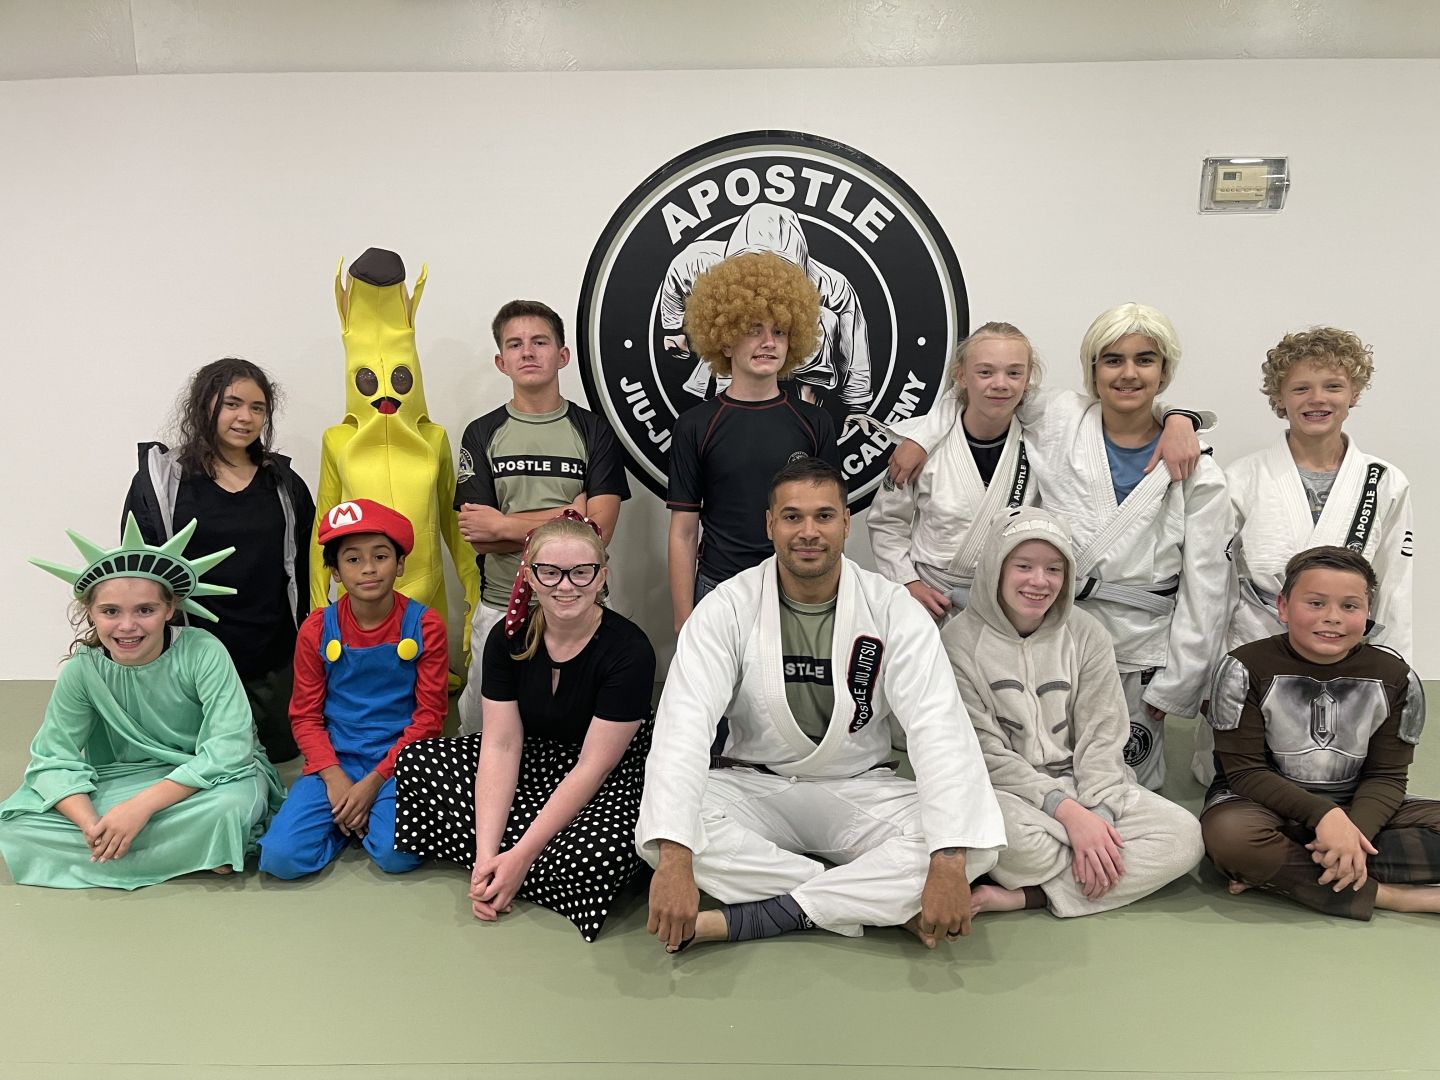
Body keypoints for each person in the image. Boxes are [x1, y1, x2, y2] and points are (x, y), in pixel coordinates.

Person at [638, 457, 1005, 951]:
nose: (808, 532)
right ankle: (867, 901)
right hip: (757, 787)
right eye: (792, 516)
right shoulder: (727, 606)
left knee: (972, 847)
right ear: (770, 524)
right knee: (667, 834)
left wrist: (946, 862)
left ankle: (762, 915)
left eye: (824, 516)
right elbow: (683, 727)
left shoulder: (892, 607)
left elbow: (938, 729)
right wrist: (676, 856)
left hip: (860, 789)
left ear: (847, 523)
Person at [887, 305, 1233, 790]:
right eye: (1112, 360)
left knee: (1122, 782)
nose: (1128, 373)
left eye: (1145, 360)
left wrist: (1181, 678)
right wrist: (920, 439)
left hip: (1138, 644)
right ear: (1092, 369)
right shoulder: (1060, 416)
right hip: (1051, 633)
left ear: (1165, 370)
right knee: (1034, 772)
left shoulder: (1199, 469)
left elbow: (1208, 585)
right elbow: (976, 396)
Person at [393, 512, 655, 942]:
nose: (565, 586)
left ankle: (517, 864)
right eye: (550, 572)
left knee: (600, 855)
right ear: (530, 576)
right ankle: (498, 868)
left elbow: (593, 767)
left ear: (601, 576)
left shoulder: (630, 650)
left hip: (604, 773)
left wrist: (520, 856)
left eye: (581, 572)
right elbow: (501, 745)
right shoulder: (506, 637)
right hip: (532, 756)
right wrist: (485, 857)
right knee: (416, 761)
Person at [944, 506, 1203, 918]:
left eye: (1054, 569)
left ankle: (1031, 895)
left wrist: (1097, 816)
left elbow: (1104, 735)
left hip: (1086, 785)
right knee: (1010, 841)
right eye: (1023, 566)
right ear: (995, 567)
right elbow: (983, 755)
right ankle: (1082, 868)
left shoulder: (1086, 633)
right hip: (1009, 794)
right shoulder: (957, 642)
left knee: (1184, 838)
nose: (1039, 581)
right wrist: (1070, 817)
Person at [0, 516, 284, 888]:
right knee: (17, 825)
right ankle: (186, 850)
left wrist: (140, 808)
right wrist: (91, 826)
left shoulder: (203, 651)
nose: (127, 626)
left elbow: (230, 750)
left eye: (145, 610)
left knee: (231, 807)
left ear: (170, 608)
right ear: (91, 612)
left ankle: (132, 848)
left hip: (206, 780)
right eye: (111, 611)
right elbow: (53, 760)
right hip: (125, 778)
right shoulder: (83, 670)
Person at [1193, 327, 1412, 784]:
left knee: (1336, 779)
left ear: (1354, 393)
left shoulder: (1385, 481)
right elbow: (1212, 585)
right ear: (1279, 397)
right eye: (1300, 388)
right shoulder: (1242, 478)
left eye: (1333, 385)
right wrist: (1205, 672)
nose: (1317, 399)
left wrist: (1398, 678)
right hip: (1257, 645)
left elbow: (1394, 586)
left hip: (1344, 654)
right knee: (1243, 779)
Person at [1200, 546, 1440, 920]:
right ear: (1283, 606)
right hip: (1261, 805)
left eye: (1350, 606)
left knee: (1263, 854)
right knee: (1231, 839)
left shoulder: (1397, 677)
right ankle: (1390, 896)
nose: (1332, 617)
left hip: (1356, 803)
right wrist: (1325, 818)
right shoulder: (1243, 667)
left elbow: (1386, 776)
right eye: (1315, 603)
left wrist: (1352, 834)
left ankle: (1284, 871)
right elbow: (1245, 773)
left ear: (1368, 612)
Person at [123, 358, 315, 762]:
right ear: (203, 405)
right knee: (199, 763)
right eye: (232, 403)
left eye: (257, 408)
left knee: (277, 760)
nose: (245, 417)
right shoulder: (160, 482)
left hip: (271, 659)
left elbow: (307, 568)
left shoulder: (284, 484)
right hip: (189, 660)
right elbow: (135, 573)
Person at [455, 300, 630, 735]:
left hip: (582, 603)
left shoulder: (594, 430)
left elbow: (598, 532)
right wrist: (569, 515)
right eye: (515, 344)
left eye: (540, 342)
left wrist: (504, 524)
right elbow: (479, 534)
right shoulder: (481, 432)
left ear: (562, 355)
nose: (528, 352)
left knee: (581, 732)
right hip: (501, 606)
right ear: (501, 361)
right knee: (483, 733)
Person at [257, 500, 445, 878]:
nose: (369, 568)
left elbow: (429, 719)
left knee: (396, 856)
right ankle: (350, 822)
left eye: (381, 556)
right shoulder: (316, 628)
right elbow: (305, 717)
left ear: (400, 564)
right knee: (280, 858)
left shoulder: (426, 625)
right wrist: (334, 777)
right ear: (336, 571)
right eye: (353, 559)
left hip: (399, 760)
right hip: (335, 759)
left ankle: (361, 816)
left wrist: (373, 783)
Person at [667, 251, 841, 632]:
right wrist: (683, 619)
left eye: (779, 331)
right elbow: (683, 531)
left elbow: (831, 521)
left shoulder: (815, 422)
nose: (768, 342)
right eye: (753, 329)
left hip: (796, 590)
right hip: (718, 588)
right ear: (725, 341)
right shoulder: (695, 426)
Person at [867, 322, 1043, 623]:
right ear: (961, 376)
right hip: (936, 602)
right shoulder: (921, 447)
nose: (1001, 383)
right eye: (985, 372)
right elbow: (886, 522)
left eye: (1014, 373)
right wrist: (907, 583)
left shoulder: (1041, 446)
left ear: (1027, 379)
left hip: (1009, 604)